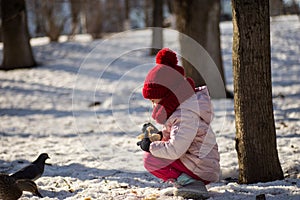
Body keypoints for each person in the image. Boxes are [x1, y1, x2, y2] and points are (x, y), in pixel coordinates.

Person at [137, 48, 220, 199]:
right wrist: (160, 136)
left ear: (168, 96)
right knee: (155, 153)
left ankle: (192, 184)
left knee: (151, 159)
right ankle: (188, 181)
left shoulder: (186, 115)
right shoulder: (182, 109)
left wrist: (150, 146)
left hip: (201, 168)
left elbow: (175, 149)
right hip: (196, 162)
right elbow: (179, 138)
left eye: (154, 101)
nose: (153, 106)